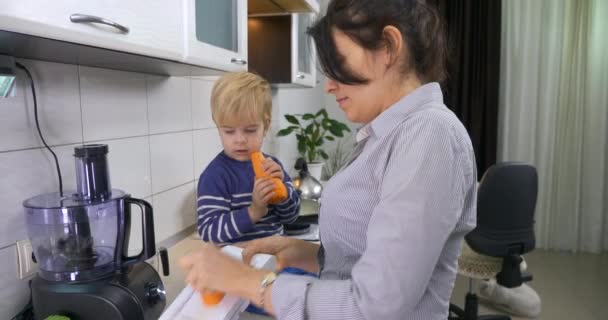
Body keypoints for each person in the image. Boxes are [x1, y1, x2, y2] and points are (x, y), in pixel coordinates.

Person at [180, 1, 477, 319]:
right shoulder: (389, 134)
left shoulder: (429, 136)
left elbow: (373, 307)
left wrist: (246, 281)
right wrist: (310, 254)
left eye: (338, 64)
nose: (330, 84)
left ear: (389, 47)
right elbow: (367, 258)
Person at [196, 71, 300, 244]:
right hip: (237, 267)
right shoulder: (215, 176)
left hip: (275, 262)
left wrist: (284, 194)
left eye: (250, 130)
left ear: (265, 126)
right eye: (229, 131)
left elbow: (292, 217)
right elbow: (208, 231)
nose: (240, 140)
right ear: (218, 127)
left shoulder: (273, 166)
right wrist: (253, 212)